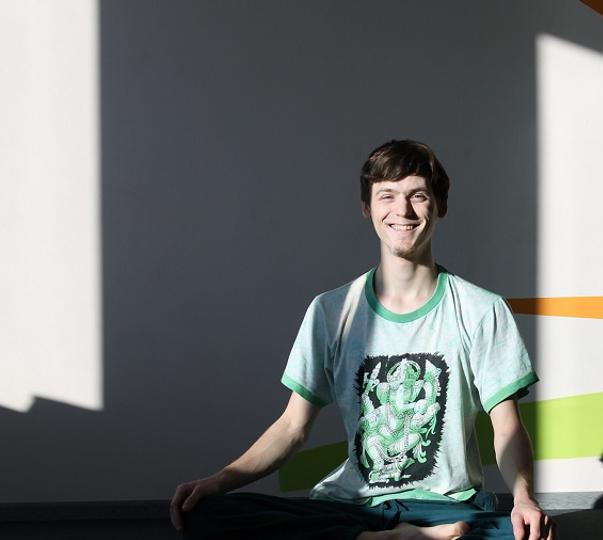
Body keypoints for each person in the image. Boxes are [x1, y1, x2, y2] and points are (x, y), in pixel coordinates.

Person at [170, 140, 556, 540]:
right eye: (387, 196)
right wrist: (218, 481)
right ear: (367, 208)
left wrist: (524, 498)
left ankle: (402, 536)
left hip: (445, 506)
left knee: (522, 534)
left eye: (417, 196)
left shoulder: (482, 309)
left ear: (440, 205)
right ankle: (384, 539)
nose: (402, 211)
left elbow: (506, 426)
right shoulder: (330, 310)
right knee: (208, 513)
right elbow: (291, 427)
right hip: (352, 506)